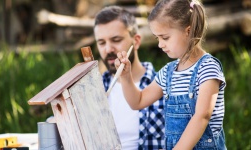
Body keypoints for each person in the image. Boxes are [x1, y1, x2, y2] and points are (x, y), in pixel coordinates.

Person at [114, 0, 227, 150]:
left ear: (188, 31)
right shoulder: (168, 72)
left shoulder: (207, 68)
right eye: (157, 38)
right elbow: (138, 101)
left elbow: (201, 117)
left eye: (165, 38)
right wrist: (126, 76)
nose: (160, 44)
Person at [93, 6, 165, 150]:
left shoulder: (164, 85)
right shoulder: (93, 91)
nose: (108, 49)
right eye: (101, 43)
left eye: (116, 40)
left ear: (136, 41)